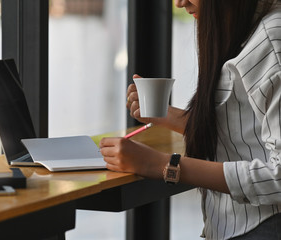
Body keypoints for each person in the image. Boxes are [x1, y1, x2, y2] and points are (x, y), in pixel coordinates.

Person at [99, 0, 281, 239]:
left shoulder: (271, 40)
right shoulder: (241, 27)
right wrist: (163, 114)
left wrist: (162, 165)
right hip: (237, 224)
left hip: (264, 226)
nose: (179, 3)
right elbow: (241, 129)